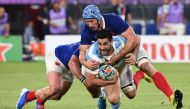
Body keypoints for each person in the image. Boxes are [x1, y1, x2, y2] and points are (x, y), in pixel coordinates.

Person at [80, 5, 183, 109]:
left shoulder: (113, 20)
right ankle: (139, 75)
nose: (90, 25)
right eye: (87, 22)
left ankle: (172, 97)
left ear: (98, 18)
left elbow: (135, 39)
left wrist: (133, 54)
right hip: (112, 58)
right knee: (131, 95)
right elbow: (82, 53)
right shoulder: (86, 32)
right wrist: (85, 63)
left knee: (146, 66)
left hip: (131, 48)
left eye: (92, 21)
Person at [16, 42, 82, 109]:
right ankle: (40, 103)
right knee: (54, 88)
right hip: (57, 57)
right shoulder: (88, 44)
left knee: (57, 96)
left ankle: (28, 95)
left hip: (70, 66)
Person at [83, 30, 137, 109]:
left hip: (119, 65)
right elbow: (91, 81)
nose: (102, 47)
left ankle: (139, 75)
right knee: (111, 99)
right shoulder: (93, 56)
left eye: (105, 44)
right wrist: (112, 81)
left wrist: (134, 54)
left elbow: (137, 39)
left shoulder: (120, 41)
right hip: (102, 71)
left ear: (111, 41)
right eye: (99, 44)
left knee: (131, 95)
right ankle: (103, 97)